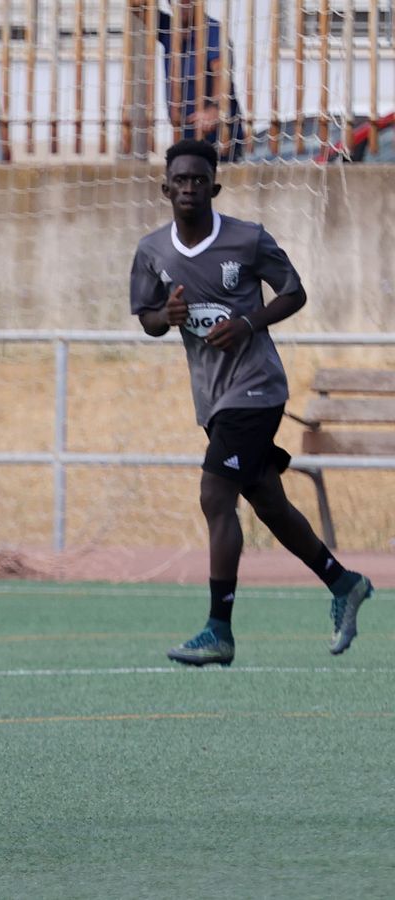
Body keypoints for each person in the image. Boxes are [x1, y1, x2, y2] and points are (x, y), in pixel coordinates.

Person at [130, 138, 373, 667]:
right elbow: (147, 319)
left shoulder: (246, 240)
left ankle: (219, 630)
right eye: (181, 180)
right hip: (214, 399)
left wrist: (247, 322)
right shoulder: (154, 251)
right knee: (267, 501)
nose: (190, 187)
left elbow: (294, 291)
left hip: (258, 387)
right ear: (165, 187)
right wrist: (164, 318)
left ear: (214, 187)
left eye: (200, 180)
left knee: (216, 495)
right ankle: (344, 582)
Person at [129, 0, 247, 161]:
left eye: (188, 1)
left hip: (218, 134)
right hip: (185, 134)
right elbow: (137, 7)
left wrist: (215, 108)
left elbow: (222, 73)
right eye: (178, 2)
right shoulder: (169, 29)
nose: (184, 6)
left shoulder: (214, 31)